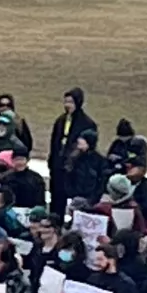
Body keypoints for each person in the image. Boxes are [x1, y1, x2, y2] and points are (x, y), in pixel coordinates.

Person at [48, 88, 98, 218]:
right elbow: (54, 142)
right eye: (66, 102)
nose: (67, 105)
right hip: (58, 166)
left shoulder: (87, 123)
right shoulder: (61, 120)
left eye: (71, 102)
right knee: (56, 198)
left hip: (76, 168)